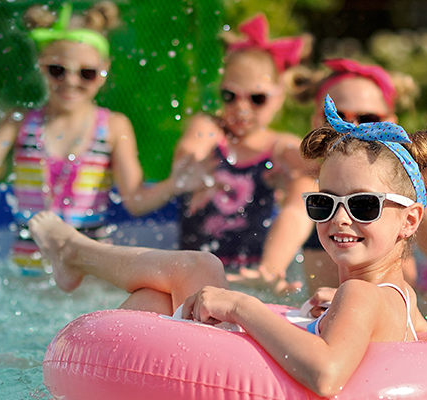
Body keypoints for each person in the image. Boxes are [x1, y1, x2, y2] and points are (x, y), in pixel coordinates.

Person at [26, 94, 427, 397]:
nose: (340, 217)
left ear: (410, 219)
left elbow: (326, 375)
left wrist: (240, 306)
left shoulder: (360, 294)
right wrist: (340, 313)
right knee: (155, 299)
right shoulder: (397, 298)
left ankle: (74, 253)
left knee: (198, 270)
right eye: (324, 203)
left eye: (363, 205)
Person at [0, 2, 166, 271]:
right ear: (41, 64)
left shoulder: (113, 126)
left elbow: (136, 200)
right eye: (58, 70)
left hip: (91, 272)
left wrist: (178, 182)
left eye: (86, 73)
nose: (71, 82)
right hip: (29, 270)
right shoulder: (19, 122)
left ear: (104, 71)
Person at [289, 58, 427, 315]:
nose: (352, 129)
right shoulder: (308, 182)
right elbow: (293, 214)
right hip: (334, 306)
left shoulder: (395, 183)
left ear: (389, 122)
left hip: (386, 307)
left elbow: (425, 221)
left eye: (367, 118)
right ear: (316, 121)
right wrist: (272, 267)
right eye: (336, 117)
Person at [133, 14, 315, 294]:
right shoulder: (209, 129)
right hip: (194, 269)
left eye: (257, 99)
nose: (242, 108)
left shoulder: (277, 146)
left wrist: (309, 166)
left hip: (247, 272)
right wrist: (190, 161)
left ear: (278, 98)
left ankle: (270, 271)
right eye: (231, 96)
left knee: (305, 187)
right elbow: (192, 146)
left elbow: (306, 159)